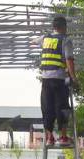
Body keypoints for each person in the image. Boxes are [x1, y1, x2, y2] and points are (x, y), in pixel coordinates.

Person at [31, 16, 78, 146]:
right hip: (59, 80)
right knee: (62, 107)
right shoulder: (66, 40)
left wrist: (35, 43)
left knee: (47, 108)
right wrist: (73, 77)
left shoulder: (45, 39)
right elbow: (69, 59)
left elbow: (33, 42)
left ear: (53, 27)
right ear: (64, 27)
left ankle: (49, 137)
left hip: (45, 80)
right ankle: (63, 137)